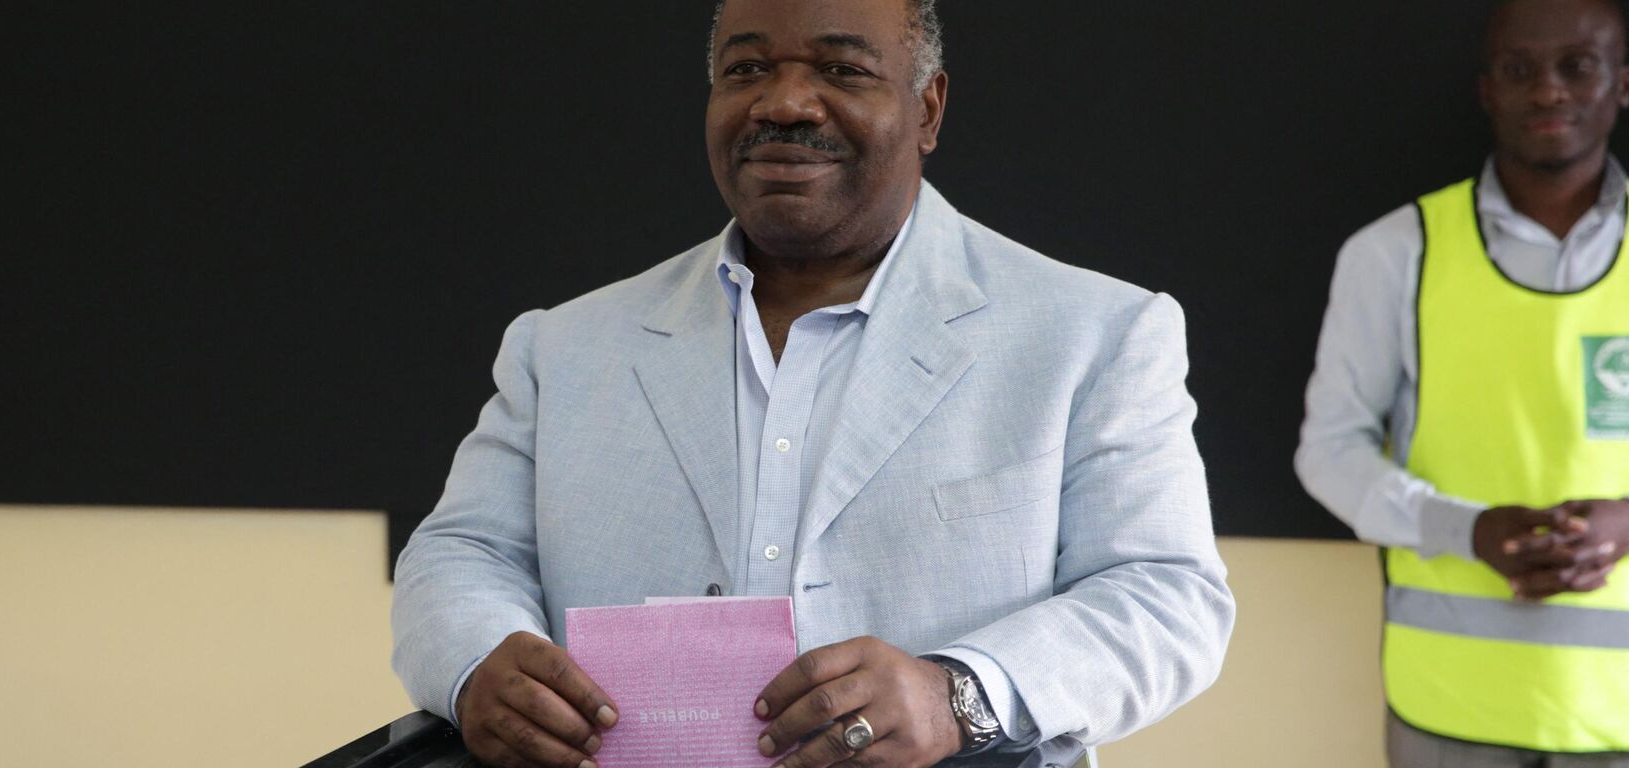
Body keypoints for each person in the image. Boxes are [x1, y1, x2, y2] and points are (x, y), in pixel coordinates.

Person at [392, 1, 1233, 766]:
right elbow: (460, 554)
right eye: (747, 69)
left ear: (928, 108)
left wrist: (959, 695)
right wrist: (477, 665)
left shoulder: (1093, 333)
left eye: (841, 69)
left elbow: (1167, 597)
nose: (784, 104)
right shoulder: (565, 345)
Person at [1296, 0, 1629, 763]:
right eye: (1521, 69)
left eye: (1577, 65)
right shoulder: (1395, 255)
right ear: (1487, 90)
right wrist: (1467, 529)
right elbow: (1330, 453)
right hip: (1450, 711)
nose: (1548, 91)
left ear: (1622, 84)